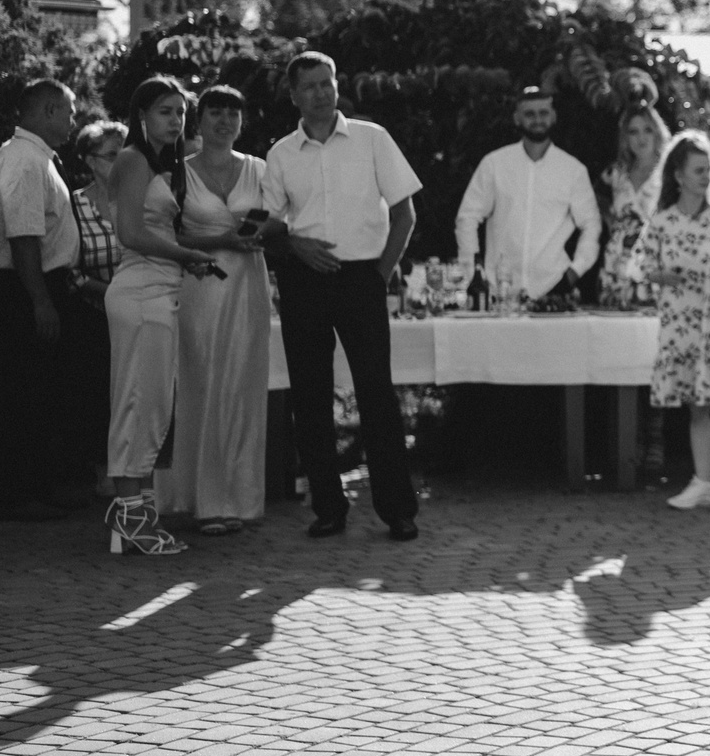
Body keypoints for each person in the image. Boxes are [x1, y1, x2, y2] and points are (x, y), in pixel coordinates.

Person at [265, 51, 423, 541]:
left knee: (376, 394)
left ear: (338, 85)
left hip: (362, 278)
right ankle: (328, 509)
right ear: (293, 95)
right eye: (309, 86)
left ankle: (398, 510)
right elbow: (266, 226)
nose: (320, 93)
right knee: (310, 398)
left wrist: (379, 274)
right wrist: (293, 245)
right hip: (303, 280)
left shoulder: (372, 139)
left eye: (326, 83)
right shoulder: (281, 154)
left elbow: (405, 213)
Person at [159, 87, 281, 534]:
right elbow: (163, 234)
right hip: (199, 285)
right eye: (216, 112)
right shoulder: (178, 172)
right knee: (200, 383)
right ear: (199, 118)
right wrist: (220, 241)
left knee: (242, 388)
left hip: (248, 286)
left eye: (233, 112)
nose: (225, 120)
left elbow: (282, 218)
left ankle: (239, 498)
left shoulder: (260, 168)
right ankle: (198, 497)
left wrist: (265, 230)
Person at [104, 76, 217, 557]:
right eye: (166, 111)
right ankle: (130, 518)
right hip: (140, 292)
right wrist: (184, 255)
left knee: (153, 408)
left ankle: (136, 518)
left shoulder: (165, 165)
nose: (176, 120)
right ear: (142, 115)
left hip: (162, 291)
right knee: (137, 404)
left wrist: (193, 254)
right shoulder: (131, 160)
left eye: (180, 112)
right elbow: (130, 233)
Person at [0, 77, 81, 523]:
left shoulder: (34, 157)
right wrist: (40, 301)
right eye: (70, 112)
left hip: (34, 283)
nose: (75, 121)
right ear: (49, 111)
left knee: (39, 390)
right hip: (27, 286)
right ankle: (15, 493)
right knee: (25, 389)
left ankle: (33, 484)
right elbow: (23, 238)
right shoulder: (24, 161)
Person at [639, 130, 710, 513]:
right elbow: (641, 266)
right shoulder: (661, 222)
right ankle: (703, 481)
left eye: (709, 170)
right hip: (680, 324)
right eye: (698, 170)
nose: (706, 177)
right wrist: (662, 277)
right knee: (697, 406)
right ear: (678, 175)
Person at [456, 85, 600, 307]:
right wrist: (473, 272)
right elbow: (467, 218)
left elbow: (591, 225)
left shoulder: (572, 170)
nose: (537, 119)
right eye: (529, 114)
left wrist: (573, 273)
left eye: (543, 113)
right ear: (517, 118)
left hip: (554, 289)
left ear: (553, 117)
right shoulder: (495, 164)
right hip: (500, 289)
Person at [64, 122, 127, 503]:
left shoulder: (138, 198)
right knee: (98, 395)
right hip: (94, 313)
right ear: (89, 161)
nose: (120, 163)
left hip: (140, 310)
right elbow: (67, 267)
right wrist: (111, 294)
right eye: (110, 155)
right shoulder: (74, 204)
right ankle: (103, 471)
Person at [599, 101, 672, 309]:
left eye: (647, 130)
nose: (641, 138)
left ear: (657, 132)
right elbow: (596, 207)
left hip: (653, 264)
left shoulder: (669, 174)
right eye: (633, 131)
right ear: (625, 137)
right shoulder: (615, 174)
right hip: (616, 265)